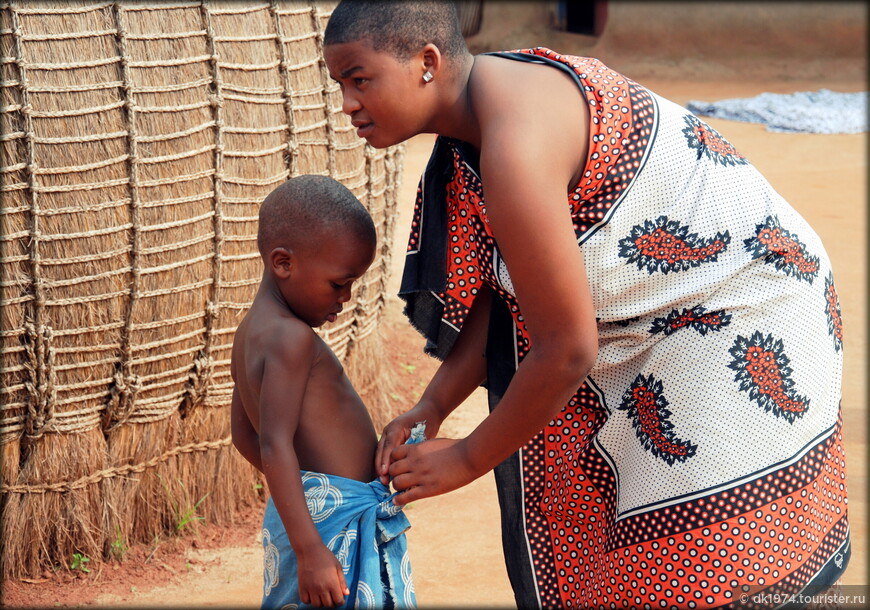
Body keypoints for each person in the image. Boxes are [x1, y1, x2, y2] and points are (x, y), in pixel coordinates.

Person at [323, 2, 850, 608]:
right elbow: (509, 285)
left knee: (705, 563)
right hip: (679, 308)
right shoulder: (484, 108)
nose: (348, 104)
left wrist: (467, 458)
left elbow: (569, 348)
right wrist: (431, 406)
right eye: (341, 84)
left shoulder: (514, 145)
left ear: (427, 63)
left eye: (360, 78)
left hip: (744, 307)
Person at [230, 175, 420, 609]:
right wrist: (311, 545)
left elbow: (244, 436)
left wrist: (300, 498)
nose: (346, 297)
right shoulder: (291, 339)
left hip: (314, 518)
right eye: (339, 283)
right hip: (329, 530)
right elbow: (274, 444)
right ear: (283, 263)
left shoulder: (249, 334)